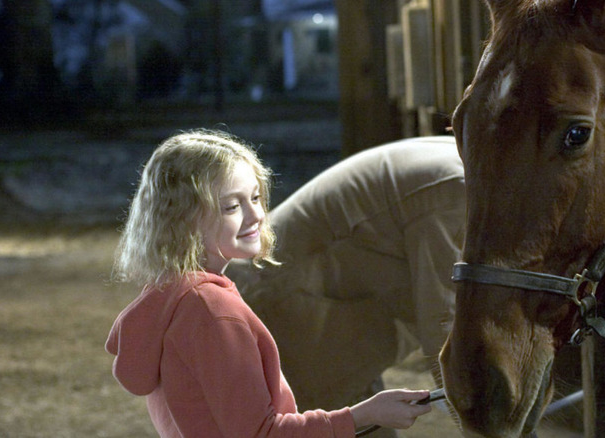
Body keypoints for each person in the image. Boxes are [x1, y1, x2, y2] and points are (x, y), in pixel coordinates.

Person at [105, 129, 432, 438]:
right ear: (182, 220)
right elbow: (262, 434)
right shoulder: (212, 311)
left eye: (256, 197)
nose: (256, 214)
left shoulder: (170, 295)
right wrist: (365, 415)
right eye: (232, 206)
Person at [226, 135, 465, 428]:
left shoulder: (465, 163)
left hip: (321, 307)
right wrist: (485, 423)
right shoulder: (457, 191)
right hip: (293, 305)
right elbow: (443, 323)